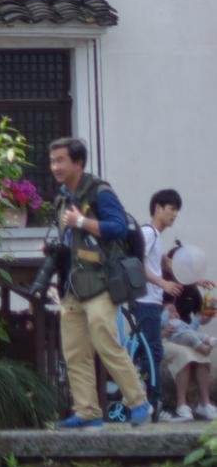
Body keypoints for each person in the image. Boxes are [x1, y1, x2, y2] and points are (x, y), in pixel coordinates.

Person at [47, 136, 151, 428]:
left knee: (105, 340)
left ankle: (138, 402)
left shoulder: (100, 192)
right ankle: (87, 411)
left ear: (78, 162)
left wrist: (81, 222)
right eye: (52, 161)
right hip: (72, 284)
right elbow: (69, 240)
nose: (55, 167)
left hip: (101, 281)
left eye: (61, 160)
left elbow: (118, 227)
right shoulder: (62, 198)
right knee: (74, 350)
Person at [137, 188, 183, 415]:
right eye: (171, 209)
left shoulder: (156, 236)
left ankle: (149, 403)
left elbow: (158, 264)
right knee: (151, 352)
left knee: (151, 351)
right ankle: (151, 404)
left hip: (151, 302)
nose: (174, 214)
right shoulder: (148, 233)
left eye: (177, 210)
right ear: (158, 208)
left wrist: (194, 278)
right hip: (144, 301)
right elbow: (138, 264)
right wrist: (162, 283)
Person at [162, 276, 217, 421]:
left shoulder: (192, 290)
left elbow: (199, 318)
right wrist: (162, 332)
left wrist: (208, 314)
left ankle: (204, 404)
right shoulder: (163, 285)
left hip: (187, 333)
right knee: (186, 354)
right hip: (167, 337)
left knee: (202, 355)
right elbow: (153, 321)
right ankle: (182, 406)